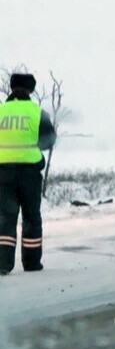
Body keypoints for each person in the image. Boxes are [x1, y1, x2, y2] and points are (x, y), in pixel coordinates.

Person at [0, 74, 56, 276]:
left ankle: (3, 263)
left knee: (5, 217)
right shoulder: (37, 112)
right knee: (31, 217)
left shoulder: (0, 111)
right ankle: (32, 263)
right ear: (30, 91)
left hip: (2, 174)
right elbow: (49, 141)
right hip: (29, 173)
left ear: (11, 88)